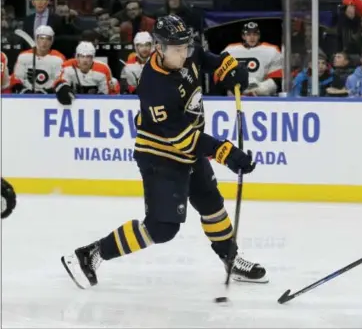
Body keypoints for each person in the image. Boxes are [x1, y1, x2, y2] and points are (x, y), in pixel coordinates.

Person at [61, 15, 268, 289]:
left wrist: (228, 68)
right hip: (161, 157)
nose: (184, 53)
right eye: (178, 49)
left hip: (187, 150)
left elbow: (205, 59)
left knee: (211, 203)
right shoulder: (155, 86)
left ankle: (231, 259)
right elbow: (184, 140)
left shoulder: (184, 53)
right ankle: (90, 254)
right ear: (159, 47)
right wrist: (225, 152)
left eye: (186, 47)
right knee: (162, 228)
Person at [222, 22, 282, 96]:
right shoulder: (230, 50)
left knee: (267, 87)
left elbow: (275, 78)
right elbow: (222, 75)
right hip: (236, 92)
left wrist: (260, 88)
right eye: (248, 34)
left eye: (255, 34)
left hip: (261, 92)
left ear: (259, 36)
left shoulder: (272, 50)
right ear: (243, 36)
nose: (252, 37)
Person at [10, 25, 65, 94]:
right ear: (36, 39)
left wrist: (48, 91)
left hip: (49, 97)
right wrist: (24, 90)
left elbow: (60, 80)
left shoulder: (59, 58)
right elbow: (16, 78)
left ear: (52, 41)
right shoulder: (23, 56)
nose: (44, 42)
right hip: (26, 97)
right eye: (41, 38)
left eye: (48, 39)